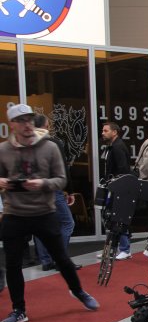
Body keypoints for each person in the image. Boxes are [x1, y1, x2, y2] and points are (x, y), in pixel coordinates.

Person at [0, 104, 99, 322]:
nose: (27, 125)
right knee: (13, 264)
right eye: (21, 121)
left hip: (44, 212)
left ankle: (78, 291)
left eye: (29, 119)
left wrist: (42, 183)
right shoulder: (4, 150)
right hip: (14, 214)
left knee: (62, 259)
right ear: (12, 124)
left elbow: (61, 179)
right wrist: (3, 182)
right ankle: (19, 310)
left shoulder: (50, 147)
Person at [31, 114, 77, 272]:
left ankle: (46, 260)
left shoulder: (26, 143)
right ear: (47, 125)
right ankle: (60, 259)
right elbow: (63, 168)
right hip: (52, 188)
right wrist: (70, 190)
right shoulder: (53, 143)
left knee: (40, 224)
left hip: (34, 190)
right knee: (67, 223)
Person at [101, 122, 132, 260]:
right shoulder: (111, 147)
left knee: (119, 217)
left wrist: (117, 186)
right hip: (114, 186)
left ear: (114, 132)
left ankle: (125, 248)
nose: (103, 133)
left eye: (106, 130)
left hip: (119, 188)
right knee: (112, 218)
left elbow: (123, 169)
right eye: (102, 130)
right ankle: (113, 249)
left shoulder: (118, 147)